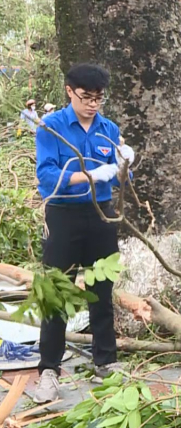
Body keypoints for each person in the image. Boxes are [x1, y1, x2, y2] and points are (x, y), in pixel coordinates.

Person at [32, 63, 136, 403]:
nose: (92, 104)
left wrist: (123, 163)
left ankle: (105, 359)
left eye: (98, 99)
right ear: (69, 91)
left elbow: (122, 180)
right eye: (85, 97)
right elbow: (48, 177)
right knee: (56, 292)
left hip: (100, 215)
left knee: (101, 289)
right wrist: (92, 174)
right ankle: (49, 369)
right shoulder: (53, 128)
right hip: (63, 214)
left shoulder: (108, 129)